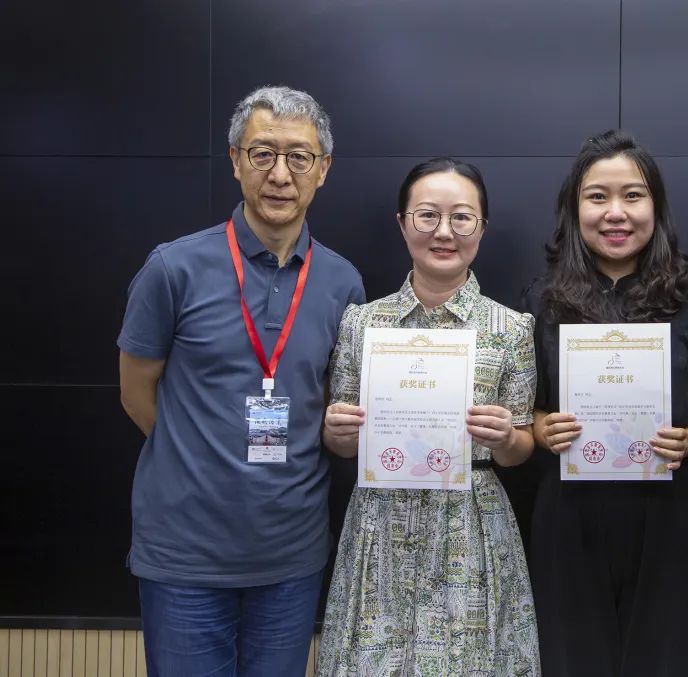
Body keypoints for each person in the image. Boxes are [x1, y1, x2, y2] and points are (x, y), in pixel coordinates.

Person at [117, 86, 365, 676]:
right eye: (262, 154)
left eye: (299, 157)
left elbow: (337, 405)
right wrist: (199, 457)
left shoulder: (343, 284)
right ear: (235, 161)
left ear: (323, 169)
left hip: (291, 557)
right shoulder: (172, 269)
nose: (280, 174)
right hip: (184, 557)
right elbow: (135, 394)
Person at [317, 158, 541, 675]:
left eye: (461, 217)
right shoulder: (361, 323)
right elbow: (343, 444)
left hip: (471, 524)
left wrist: (506, 438)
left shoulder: (511, 328)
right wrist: (336, 431)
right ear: (402, 224)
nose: (444, 232)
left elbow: (521, 448)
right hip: (381, 523)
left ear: (481, 228)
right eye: (427, 216)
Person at [522, 129, 688, 676]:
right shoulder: (540, 300)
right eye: (597, 196)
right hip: (569, 513)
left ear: (656, 206)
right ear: (574, 209)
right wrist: (541, 427)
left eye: (633, 195)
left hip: (668, 514)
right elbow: (521, 409)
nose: (615, 213)